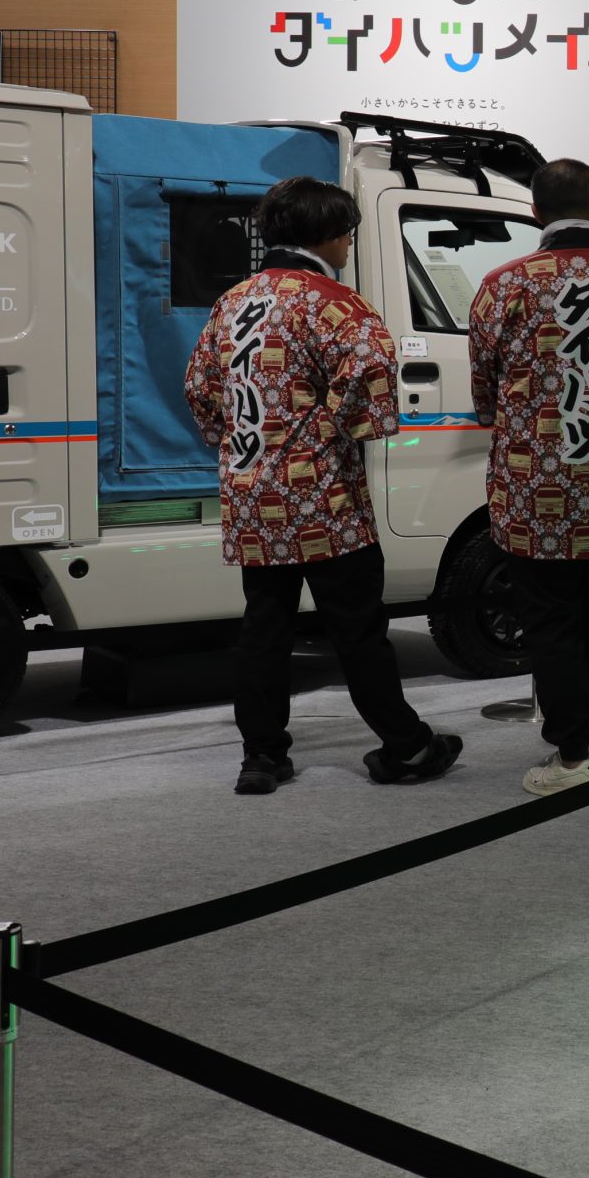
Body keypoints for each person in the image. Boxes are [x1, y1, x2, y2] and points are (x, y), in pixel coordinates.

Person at [184, 176, 462, 796]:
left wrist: (244, 445)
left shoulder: (232, 303)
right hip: (325, 497)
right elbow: (370, 375)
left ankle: (262, 756)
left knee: (264, 626)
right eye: (347, 234)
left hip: (251, 494)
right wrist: (331, 431)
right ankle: (407, 745)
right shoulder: (336, 302)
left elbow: (199, 389)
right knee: (358, 628)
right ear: (330, 235)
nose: (348, 245)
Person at [468, 158, 589, 795]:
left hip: (537, 493)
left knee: (552, 622)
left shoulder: (502, 286)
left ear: (535, 213)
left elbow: (485, 394)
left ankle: (572, 752)